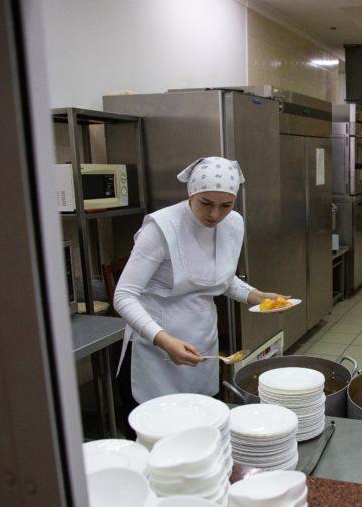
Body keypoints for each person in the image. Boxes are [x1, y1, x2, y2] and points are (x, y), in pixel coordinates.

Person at [114, 156, 286, 406]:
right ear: (191, 194)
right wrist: (164, 341)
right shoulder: (162, 228)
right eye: (206, 203)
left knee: (202, 425)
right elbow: (123, 296)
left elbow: (222, 280)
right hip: (155, 346)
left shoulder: (233, 224)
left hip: (203, 343)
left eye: (226, 205)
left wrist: (257, 297)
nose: (215, 214)